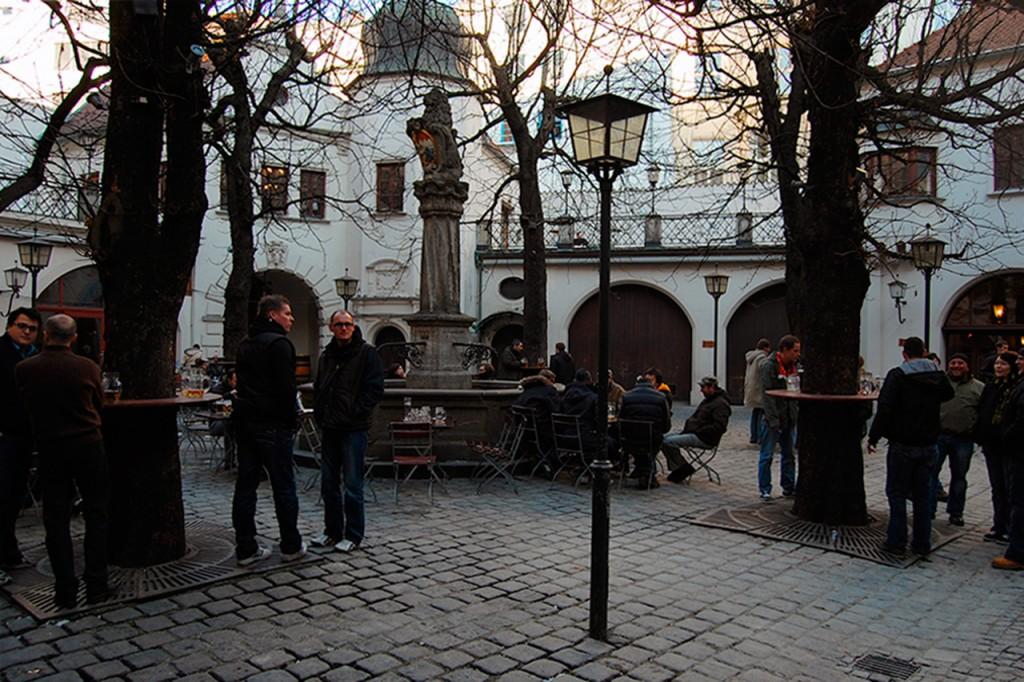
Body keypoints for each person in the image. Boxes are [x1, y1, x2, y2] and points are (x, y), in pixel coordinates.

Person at [14, 315, 108, 608]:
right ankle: (96, 585)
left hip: (51, 447)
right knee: (97, 514)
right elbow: (99, 403)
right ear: (74, 337)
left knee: (55, 519)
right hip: (87, 445)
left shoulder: (26, 369)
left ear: (45, 334)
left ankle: (65, 589)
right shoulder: (87, 367)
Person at [231, 294, 306, 566]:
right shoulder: (280, 344)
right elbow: (287, 390)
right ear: (272, 315)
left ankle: (246, 547)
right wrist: (290, 420)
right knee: (284, 487)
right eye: (287, 313)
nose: (291, 318)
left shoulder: (246, 344)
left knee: (245, 487)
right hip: (273, 425)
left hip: (246, 423)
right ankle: (290, 544)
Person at [868, 336, 954, 556]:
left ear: (904, 354)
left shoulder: (898, 376)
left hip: (903, 443)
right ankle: (921, 542)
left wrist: (874, 437)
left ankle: (896, 541)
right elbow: (949, 394)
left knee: (897, 493)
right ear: (924, 352)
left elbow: (885, 408)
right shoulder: (937, 376)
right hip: (928, 443)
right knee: (922, 494)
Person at [312, 310, 384, 553]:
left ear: (353, 327)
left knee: (353, 485)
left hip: (353, 428)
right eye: (339, 324)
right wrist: (321, 413)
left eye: (348, 324)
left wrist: (356, 412)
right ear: (331, 328)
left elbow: (374, 389)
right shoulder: (327, 355)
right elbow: (320, 385)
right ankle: (331, 531)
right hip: (330, 425)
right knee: (328, 484)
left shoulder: (367, 354)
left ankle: (353, 534)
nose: (344, 328)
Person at [0, 308, 41, 583]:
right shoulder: (1, 352)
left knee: (15, 498)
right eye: (22, 326)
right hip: (3, 434)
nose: (27, 332)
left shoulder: (36, 356)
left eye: (32, 328)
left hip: (25, 436)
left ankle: (9, 552)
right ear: (10, 326)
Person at [931, 353, 984, 526]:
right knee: (931, 473)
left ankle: (956, 512)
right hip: (939, 435)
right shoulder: (940, 383)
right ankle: (928, 509)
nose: (956, 366)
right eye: (953, 362)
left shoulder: (978, 388)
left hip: (963, 438)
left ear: (967, 366)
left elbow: (982, 413)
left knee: (959, 476)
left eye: (960, 363)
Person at [974, 351, 1020, 545]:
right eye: (997, 364)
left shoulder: (1015, 387)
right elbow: (983, 410)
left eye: (1003, 364)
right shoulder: (991, 386)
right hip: (991, 443)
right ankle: (999, 525)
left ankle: (1011, 527)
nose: (999, 367)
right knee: (997, 487)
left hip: (1008, 445)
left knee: (1010, 487)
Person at [661, 376, 731, 484]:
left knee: (668, 442)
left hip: (703, 438)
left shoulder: (720, 404)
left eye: (703, 388)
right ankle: (680, 468)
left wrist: (698, 431)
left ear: (711, 387)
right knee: (662, 439)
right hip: (694, 433)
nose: (701, 390)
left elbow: (719, 427)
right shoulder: (709, 400)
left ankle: (683, 469)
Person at [757, 334, 801, 500]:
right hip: (773, 419)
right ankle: (765, 489)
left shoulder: (795, 367)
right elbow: (767, 395)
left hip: (789, 417)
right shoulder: (769, 366)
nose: (797, 354)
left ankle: (788, 486)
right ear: (784, 350)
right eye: (795, 351)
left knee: (789, 454)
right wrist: (773, 419)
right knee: (767, 455)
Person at [992, 353, 1024, 569]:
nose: (1019, 362)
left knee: (1019, 501)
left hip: (1019, 452)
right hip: (1014, 450)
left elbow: (1020, 421)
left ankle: (1017, 553)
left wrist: (1005, 437)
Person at [619, 374, 671, 488]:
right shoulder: (661, 397)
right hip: (652, 439)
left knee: (637, 443)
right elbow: (666, 424)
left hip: (630, 440)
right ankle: (647, 474)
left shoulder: (627, 396)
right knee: (649, 446)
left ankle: (641, 471)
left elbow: (621, 420)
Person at [560, 368, 616, 464]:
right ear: (589, 380)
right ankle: (604, 466)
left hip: (564, 437)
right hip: (584, 438)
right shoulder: (592, 398)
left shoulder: (565, 396)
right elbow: (599, 421)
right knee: (611, 443)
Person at [514, 369, 560, 475]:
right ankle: (551, 464)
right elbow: (556, 410)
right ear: (549, 380)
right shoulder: (548, 391)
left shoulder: (528, 390)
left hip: (523, 430)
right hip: (541, 430)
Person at [744, 338, 771, 444]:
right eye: (768, 348)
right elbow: (765, 370)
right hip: (759, 389)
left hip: (752, 388)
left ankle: (753, 436)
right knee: (761, 413)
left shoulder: (751, 356)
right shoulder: (762, 357)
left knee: (755, 413)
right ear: (765, 347)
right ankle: (759, 437)